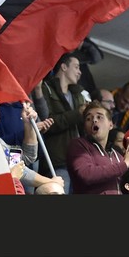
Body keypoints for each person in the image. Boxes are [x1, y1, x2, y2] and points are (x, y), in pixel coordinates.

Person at [0, 97, 64, 195]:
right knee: (51, 188)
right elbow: (17, 168)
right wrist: (51, 182)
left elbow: (24, 159)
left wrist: (28, 125)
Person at [66, 100, 129, 194]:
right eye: (88, 119)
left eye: (99, 117)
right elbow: (87, 174)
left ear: (111, 124)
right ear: (85, 127)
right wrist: (126, 163)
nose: (94, 120)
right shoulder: (78, 145)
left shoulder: (116, 154)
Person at [39, 51, 89, 193]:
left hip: (78, 162)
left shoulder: (79, 96)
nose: (80, 72)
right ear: (64, 67)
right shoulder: (46, 88)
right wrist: (78, 113)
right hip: (57, 159)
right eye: (77, 67)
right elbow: (47, 123)